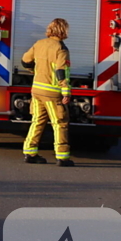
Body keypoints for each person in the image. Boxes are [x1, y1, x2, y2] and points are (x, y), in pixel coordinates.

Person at [20, 18, 73, 166]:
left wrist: (34, 70)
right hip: (52, 92)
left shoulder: (39, 44)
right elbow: (62, 71)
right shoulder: (61, 48)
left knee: (37, 121)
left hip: (37, 90)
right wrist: (65, 91)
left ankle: (30, 153)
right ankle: (62, 157)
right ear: (63, 30)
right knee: (59, 123)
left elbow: (25, 61)